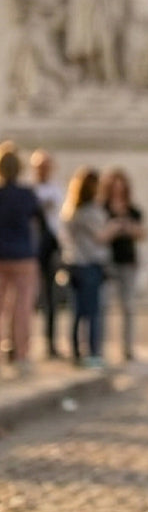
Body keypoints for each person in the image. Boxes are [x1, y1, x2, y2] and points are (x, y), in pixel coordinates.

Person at [58, 167, 121, 369]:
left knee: (78, 311)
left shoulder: (71, 211)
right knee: (93, 312)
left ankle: (77, 351)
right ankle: (93, 353)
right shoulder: (89, 212)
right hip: (90, 265)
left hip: (74, 263)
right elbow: (101, 238)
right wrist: (116, 226)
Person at [0, 142, 42, 374]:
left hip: (1, 255)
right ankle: (21, 354)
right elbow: (40, 223)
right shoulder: (27, 195)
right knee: (22, 308)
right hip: (23, 256)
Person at [98, 167, 145, 361]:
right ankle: (100, 347)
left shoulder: (133, 210)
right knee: (103, 305)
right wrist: (113, 229)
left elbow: (142, 233)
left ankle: (128, 348)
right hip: (108, 261)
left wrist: (127, 227)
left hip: (127, 261)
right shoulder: (101, 209)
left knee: (128, 306)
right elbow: (99, 235)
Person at [30, 149, 65, 359]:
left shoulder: (56, 190)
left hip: (50, 246)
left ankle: (50, 342)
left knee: (51, 295)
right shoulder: (30, 191)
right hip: (31, 248)